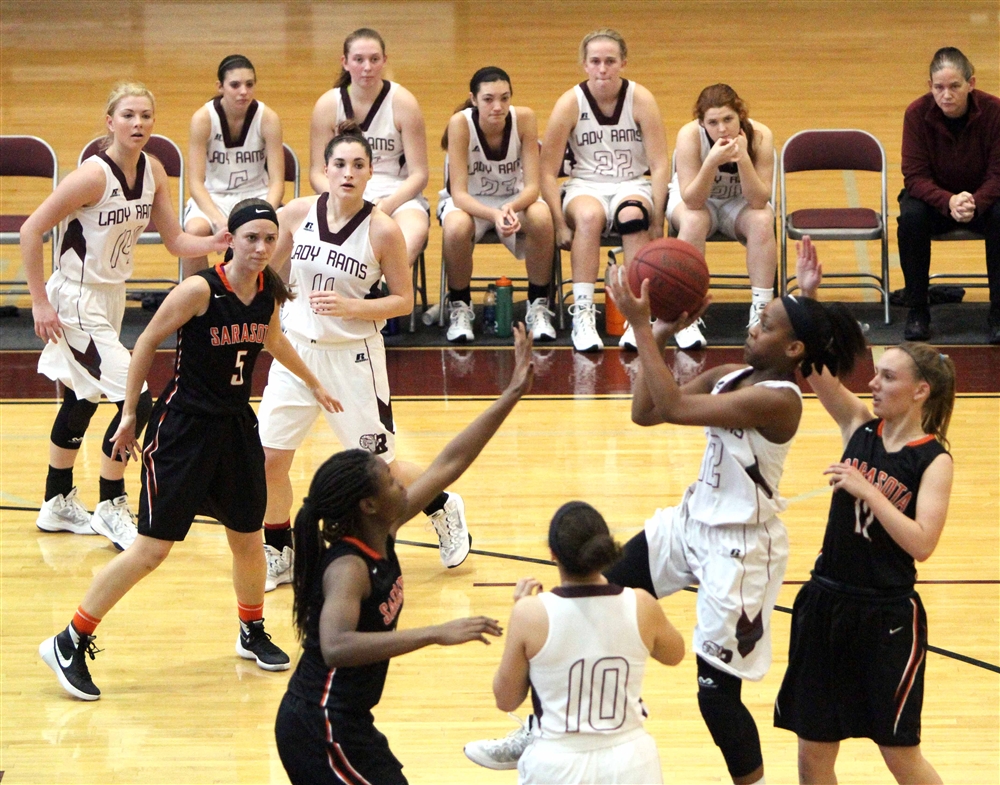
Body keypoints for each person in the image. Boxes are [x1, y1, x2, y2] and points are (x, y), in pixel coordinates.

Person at [464, 255, 868, 781]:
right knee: (591, 593)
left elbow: (674, 406)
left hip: (741, 551)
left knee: (716, 696)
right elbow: (647, 411)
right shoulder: (732, 374)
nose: (752, 327)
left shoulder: (779, 401)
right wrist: (656, 331)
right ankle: (539, 730)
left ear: (793, 349)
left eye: (765, 325)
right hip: (690, 523)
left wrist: (638, 325)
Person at [38, 200, 341, 701]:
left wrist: (314, 381)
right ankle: (70, 640)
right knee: (151, 549)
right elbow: (145, 343)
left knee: (249, 536)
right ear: (230, 239)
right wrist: (132, 413)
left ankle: (251, 629)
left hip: (235, 428)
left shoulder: (268, 291)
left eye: (269, 239)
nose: (261, 248)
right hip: (181, 433)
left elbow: (272, 339)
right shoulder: (200, 289)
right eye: (251, 239)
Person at [273, 323, 535, 785]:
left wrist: (511, 393)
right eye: (390, 481)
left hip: (347, 720)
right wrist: (436, 632)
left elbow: (449, 463)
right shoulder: (350, 568)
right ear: (368, 504)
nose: (402, 482)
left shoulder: (383, 527)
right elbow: (335, 646)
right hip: (320, 725)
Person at [259, 123, 469, 595]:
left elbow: (402, 301)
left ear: (371, 172)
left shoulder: (384, 230)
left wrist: (353, 307)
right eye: (339, 164)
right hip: (296, 355)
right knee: (271, 457)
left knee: (381, 468)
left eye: (358, 165)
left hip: (353, 360)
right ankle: (279, 551)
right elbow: (272, 277)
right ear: (324, 171)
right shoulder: (295, 214)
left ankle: (442, 506)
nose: (348, 173)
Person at [774, 236, 954, 785]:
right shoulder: (859, 426)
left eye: (888, 377)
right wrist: (809, 300)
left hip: (886, 615)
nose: (873, 382)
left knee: (899, 755)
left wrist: (868, 490)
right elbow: (816, 370)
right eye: (876, 374)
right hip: (827, 600)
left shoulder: (934, 459)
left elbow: (922, 543)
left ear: (920, 391)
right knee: (812, 754)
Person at [24, 82, 228, 552]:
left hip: (109, 297)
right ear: (110, 121)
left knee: (84, 396)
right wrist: (39, 302)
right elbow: (33, 229)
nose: (139, 124)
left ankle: (56, 501)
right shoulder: (93, 176)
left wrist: (216, 245)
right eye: (129, 115)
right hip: (74, 298)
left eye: (146, 116)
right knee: (134, 396)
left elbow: (176, 242)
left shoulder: (154, 170)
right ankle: (111, 502)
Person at [475, 501, 685, 784]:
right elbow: (675, 654)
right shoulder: (641, 604)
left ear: (553, 555)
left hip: (558, 766)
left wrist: (521, 612)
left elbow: (506, 699)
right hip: (632, 764)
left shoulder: (531, 613)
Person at [539, 28, 669, 353]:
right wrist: (557, 222)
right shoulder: (570, 102)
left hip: (632, 184)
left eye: (610, 61)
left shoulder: (641, 99)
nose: (602, 69)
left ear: (623, 62)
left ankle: (636, 316)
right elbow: (545, 168)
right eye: (595, 61)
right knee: (588, 215)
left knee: (632, 215)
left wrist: (659, 219)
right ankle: (583, 313)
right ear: (584, 64)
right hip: (585, 186)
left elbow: (660, 162)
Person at [439, 66, 556, 343]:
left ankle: (538, 305)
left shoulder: (524, 119)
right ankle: (460, 306)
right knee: (455, 227)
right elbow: (459, 195)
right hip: (471, 203)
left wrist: (511, 208)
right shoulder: (460, 123)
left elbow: (532, 186)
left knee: (541, 215)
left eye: (504, 98)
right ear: (474, 100)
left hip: (512, 200)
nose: (498, 106)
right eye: (489, 99)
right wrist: (494, 214)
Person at [898, 46, 1000, 343]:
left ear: (972, 83)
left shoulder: (994, 113)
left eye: (955, 86)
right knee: (911, 217)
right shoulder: (916, 114)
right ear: (930, 87)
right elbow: (914, 176)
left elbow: (998, 173)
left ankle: (998, 312)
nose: (947, 95)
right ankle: (918, 310)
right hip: (936, 202)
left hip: (982, 200)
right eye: (939, 87)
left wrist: (975, 201)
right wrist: (948, 201)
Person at [309, 28, 429, 270]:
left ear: (384, 61)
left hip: (396, 195)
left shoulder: (403, 102)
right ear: (345, 62)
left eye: (374, 59)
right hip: (341, 192)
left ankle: (382, 297)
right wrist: (344, 198)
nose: (367, 67)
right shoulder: (328, 105)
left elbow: (419, 174)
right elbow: (316, 173)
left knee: (413, 231)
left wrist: (387, 205)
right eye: (359, 60)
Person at [667, 84, 777, 349]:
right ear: (702, 123)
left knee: (762, 219)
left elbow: (759, 199)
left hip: (738, 203)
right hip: (696, 201)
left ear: (740, 114)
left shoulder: (760, 136)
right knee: (694, 220)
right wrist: (711, 162)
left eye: (728, 119)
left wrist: (743, 160)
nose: (722, 129)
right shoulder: (689, 135)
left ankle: (763, 312)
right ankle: (687, 314)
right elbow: (692, 200)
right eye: (713, 122)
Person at [181, 54, 285, 277]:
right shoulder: (203, 118)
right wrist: (219, 221)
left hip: (256, 194)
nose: (243, 91)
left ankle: (279, 299)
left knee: (286, 229)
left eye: (249, 84)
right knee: (195, 230)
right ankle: (194, 302)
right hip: (214, 196)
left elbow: (277, 182)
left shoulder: (268, 118)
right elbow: (196, 184)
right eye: (235, 85)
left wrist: (265, 212)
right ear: (220, 87)